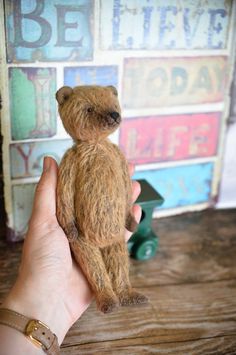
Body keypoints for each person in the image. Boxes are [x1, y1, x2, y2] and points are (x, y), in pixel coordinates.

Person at [0, 157, 141, 354]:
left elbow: (124, 187)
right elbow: (65, 193)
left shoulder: (111, 155)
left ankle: (123, 289)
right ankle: (104, 294)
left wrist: (126, 216)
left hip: (111, 228)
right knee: (92, 262)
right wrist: (67, 223)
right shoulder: (72, 160)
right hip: (81, 236)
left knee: (116, 256)